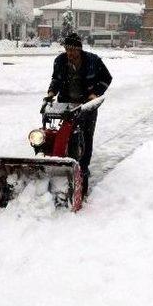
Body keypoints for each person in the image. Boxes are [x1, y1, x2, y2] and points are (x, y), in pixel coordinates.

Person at [45, 32, 112, 196]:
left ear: (79, 49)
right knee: (65, 133)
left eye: (73, 50)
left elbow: (107, 78)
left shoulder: (93, 61)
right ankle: (61, 161)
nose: (70, 54)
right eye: (67, 50)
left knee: (86, 137)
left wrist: (95, 93)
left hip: (86, 105)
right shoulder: (60, 61)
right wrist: (51, 92)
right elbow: (56, 79)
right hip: (67, 104)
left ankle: (83, 168)